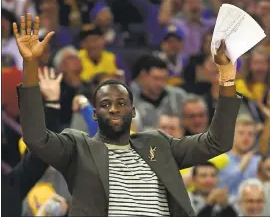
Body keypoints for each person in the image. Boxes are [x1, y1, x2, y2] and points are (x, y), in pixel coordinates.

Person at [15, 13, 241, 216]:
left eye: (121, 103)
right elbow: (36, 139)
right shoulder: (77, 148)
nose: (113, 108)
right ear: (94, 114)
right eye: (105, 104)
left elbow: (217, 142)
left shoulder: (159, 144)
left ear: (133, 111)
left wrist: (228, 77)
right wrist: (30, 65)